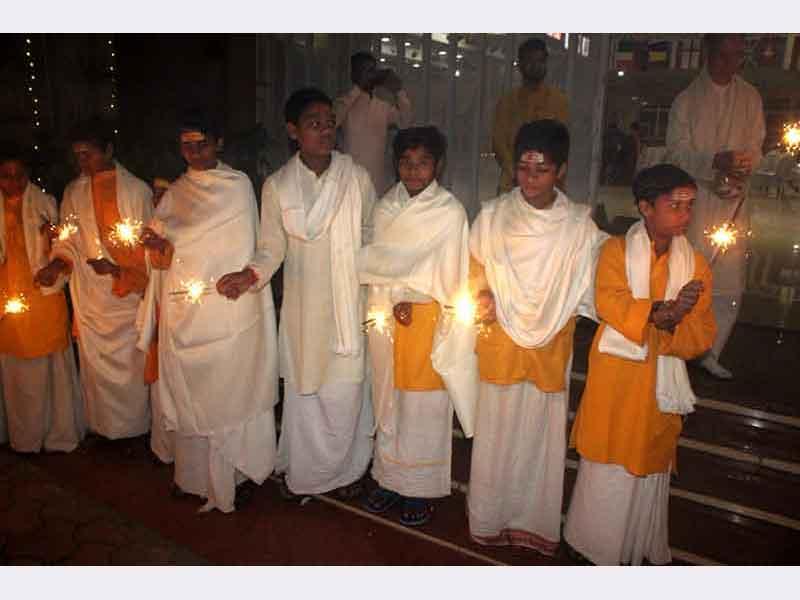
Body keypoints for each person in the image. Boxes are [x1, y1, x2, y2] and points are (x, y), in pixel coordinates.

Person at [564, 164, 717, 565]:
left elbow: (703, 332)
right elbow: (608, 301)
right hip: (616, 380)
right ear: (645, 207)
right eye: (675, 205)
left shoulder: (695, 265)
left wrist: (674, 324)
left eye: (689, 206)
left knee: (647, 462)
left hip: (658, 388)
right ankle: (590, 545)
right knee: (606, 465)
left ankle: (632, 548)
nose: (685, 215)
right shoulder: (615, 251)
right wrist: (654, 313)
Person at [467, 120, 606, 555]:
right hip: (501, 340)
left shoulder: (578, 225)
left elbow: (592, 282)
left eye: (541, 169)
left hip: (549, 346)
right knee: (496, 435)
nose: (529, 178)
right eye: (523, 167)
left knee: (539, 441)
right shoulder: (492, 215)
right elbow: (474, 267)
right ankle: (489, 518)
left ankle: (533, 523)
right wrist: (483, 293)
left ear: (561, 171)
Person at [138, 111, 278, 513]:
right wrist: (156, 249)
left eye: (202, 143)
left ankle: (237, 474)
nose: (194, 152)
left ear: (218, 143)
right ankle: (194, 477)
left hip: (231, 311)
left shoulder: (237, 187)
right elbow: (162, 256)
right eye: (186, 144)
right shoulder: (176, 192)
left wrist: (244, 278)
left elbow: (248, 245)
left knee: (232, 389)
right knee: (191, 393)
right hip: (187, 313)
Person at [253, 88, 376, 500]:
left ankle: (346, 470)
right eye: (314, 123)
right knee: (306, 393)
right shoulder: (277, 186)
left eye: (329, 122)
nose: (325, 130)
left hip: (347, 307)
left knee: (345, 393)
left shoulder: (356, 178)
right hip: (305, 310)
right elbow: (271, 247)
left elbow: (371, 238)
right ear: (293, 131)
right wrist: (249, 274)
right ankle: (308, 472)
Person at [358, 126, 477, 526]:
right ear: (396, 165)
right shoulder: (384, 208)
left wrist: (416, 299)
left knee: (423, 408)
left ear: (437, 165)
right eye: (406, 162)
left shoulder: (449, 212)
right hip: (385, 320)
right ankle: (389, 480)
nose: (413, 170)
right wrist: (392, 300)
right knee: (388, 402)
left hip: (428, 321)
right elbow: (375, 263)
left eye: (423, 162)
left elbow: (452, 272)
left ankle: (420, 488)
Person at [36, 119, 153, 440]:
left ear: (109, 150)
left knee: (130, 366)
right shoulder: (73, 191)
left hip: (127, 294)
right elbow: (69, 241)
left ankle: (136, 431)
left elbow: (146, 249)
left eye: (88, 154)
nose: (81, 162)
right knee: (95, 369)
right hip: (90, 296)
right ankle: (102, 430)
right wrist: (57, 264)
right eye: (77, 156)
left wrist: (118, 271)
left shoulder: (136, 190)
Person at [665, 33, 765, 379]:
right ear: (708, 53)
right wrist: (713, 161)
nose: (729, 64)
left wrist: (742, 166)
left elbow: (756, 145)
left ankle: (710, 349)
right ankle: (679, 344)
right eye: (723, 56)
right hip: (697, 202)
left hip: (734, 203)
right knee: (690, 274)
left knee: (728, 282)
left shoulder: (750, 98)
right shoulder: (686, 101)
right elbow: (676, 152)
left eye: (737, 57)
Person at [0, 148, 84, 453]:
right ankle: (23, 438)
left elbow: (66, 245)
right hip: (8, 294)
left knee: (49, 366)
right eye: (6, 176)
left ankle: (56, 434)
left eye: (19, 175)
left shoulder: (45, 203)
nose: (13, 183)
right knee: (16, 370)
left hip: (43, 294)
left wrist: (55, 252)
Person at [492, 38, 569, 194]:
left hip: (549, 186)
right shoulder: (507, 102)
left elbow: (560, 146)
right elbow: (499, 143)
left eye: (540, 60)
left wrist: (545, 176)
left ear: (546, 64)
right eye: (529, 60)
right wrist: (517, 173)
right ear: (519, 64)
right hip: (511, 184)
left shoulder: (559, 101)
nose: (535, 66)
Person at [335, 51, 412, 196]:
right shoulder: (344, 103)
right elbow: (334, 121)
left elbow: (405, 122)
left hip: (376, 184)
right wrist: (358, 88)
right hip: (349, 183)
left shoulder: (383, 106)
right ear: (354, 75)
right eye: (365, 71)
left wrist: (398, 91)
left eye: (372, 70)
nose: (370, 75)